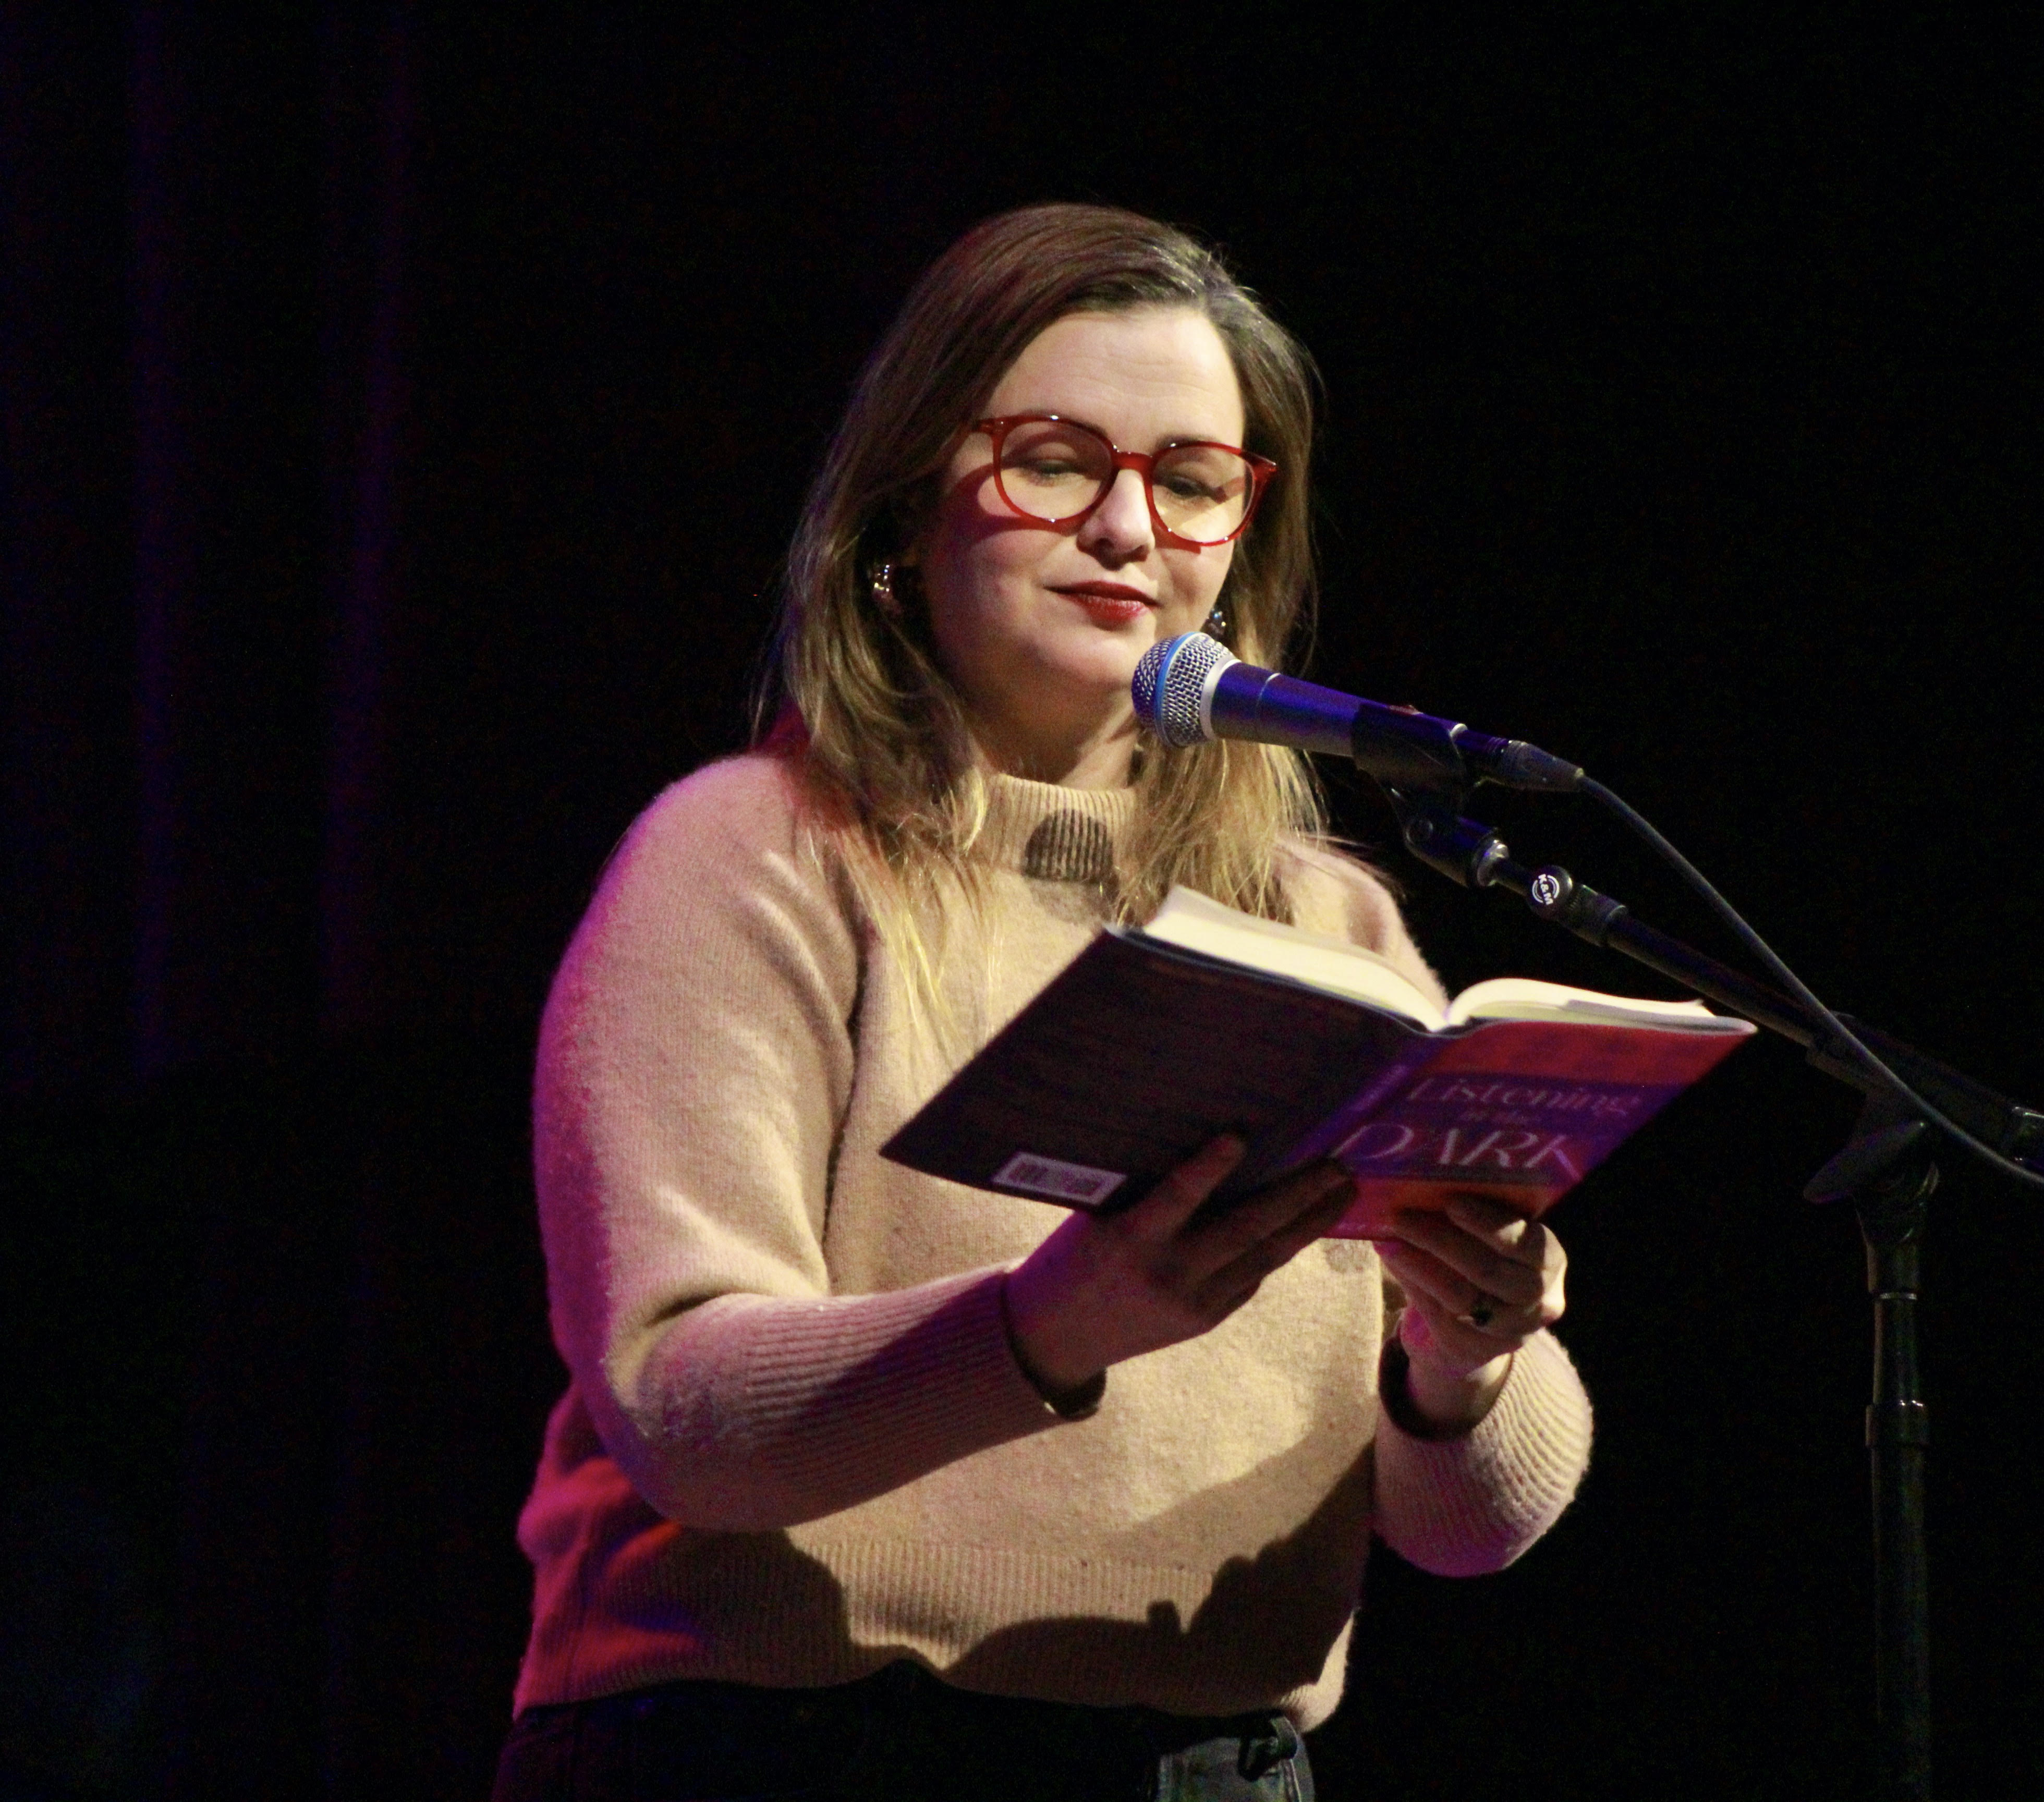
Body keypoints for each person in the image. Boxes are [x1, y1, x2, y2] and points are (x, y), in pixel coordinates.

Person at [491, 204, 1593, 1801]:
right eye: (1059, 461)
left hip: (1213, 1768)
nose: (1131, 531)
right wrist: (1051, 1327)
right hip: (772, 1752)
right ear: (904, 508)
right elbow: (682, 1410)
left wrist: (1467, 1359)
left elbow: (1472, 1528)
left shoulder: (1332, 924)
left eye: (1195, 482)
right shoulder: (753, 860)